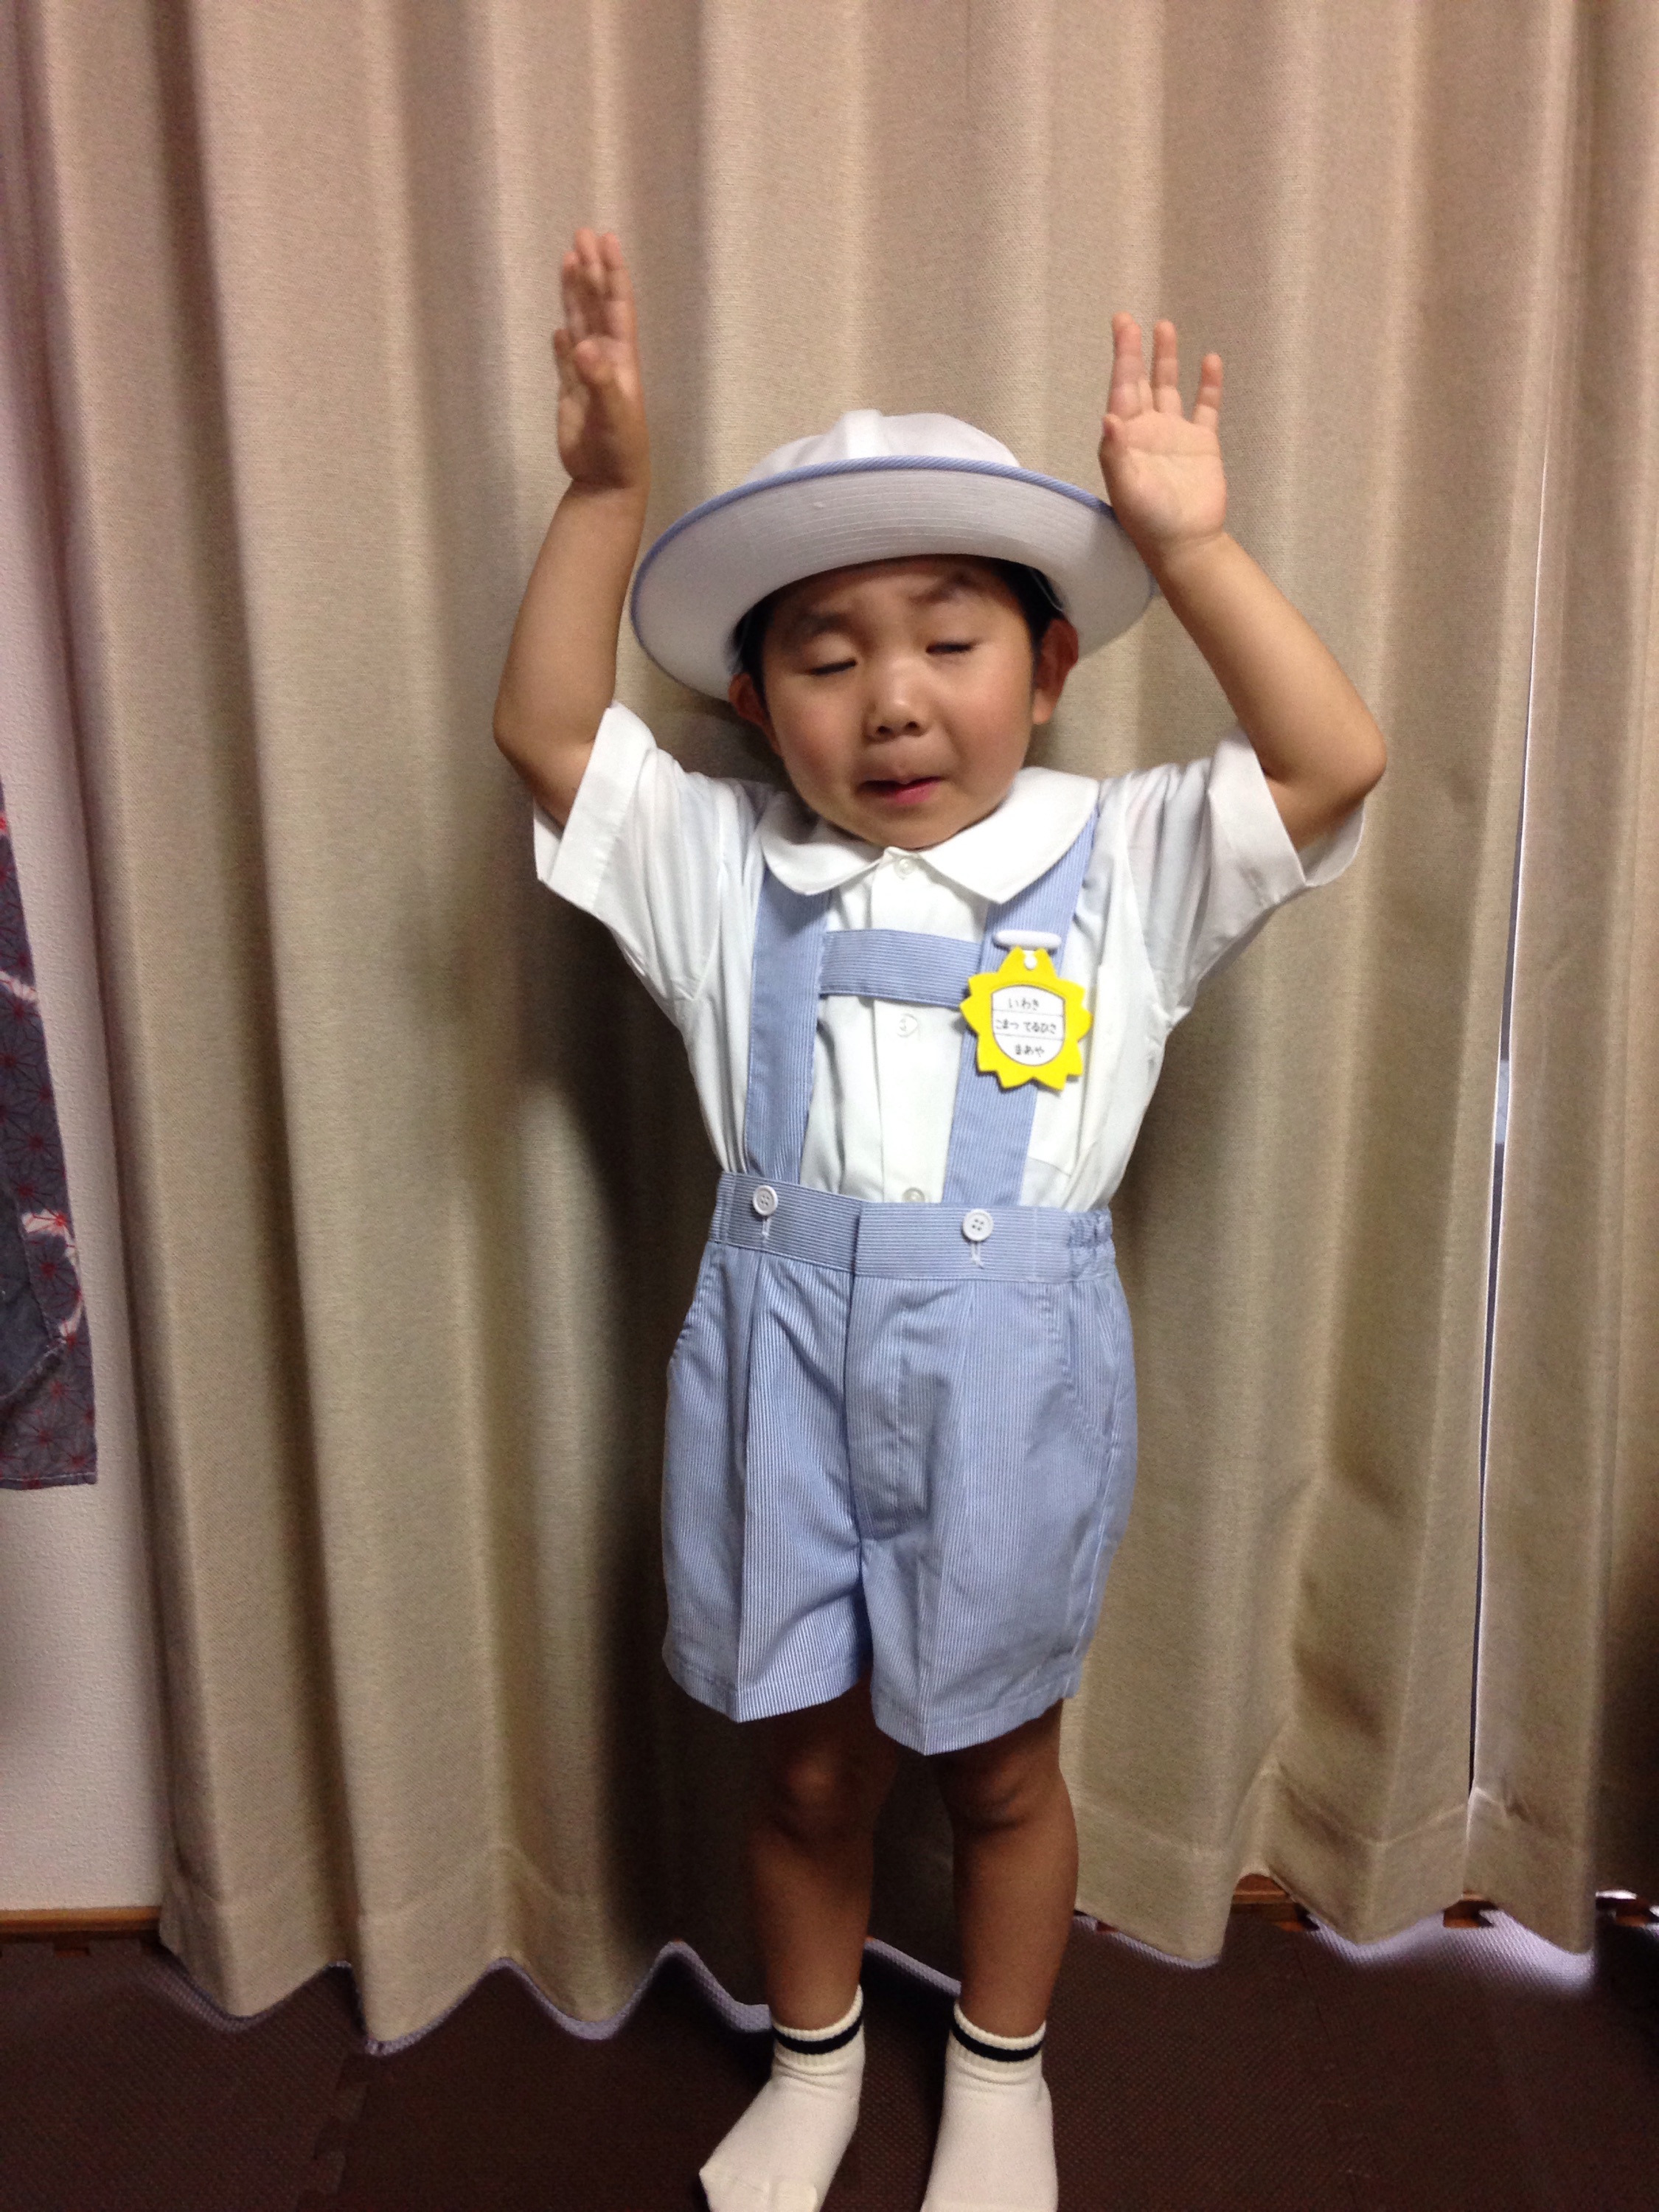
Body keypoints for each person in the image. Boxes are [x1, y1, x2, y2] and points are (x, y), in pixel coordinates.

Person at [494, 228, 1385, 2212]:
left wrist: (1191, 546)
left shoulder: (1130, 859)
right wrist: (604, 494)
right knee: (805, 1764)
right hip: (775, 1370)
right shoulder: (723, 868)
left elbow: (1333, 760)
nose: (891, 702)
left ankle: (999, 2077)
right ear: (756, 702)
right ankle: (812, 2068)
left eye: (951, 644)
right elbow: (552, 737)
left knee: (997, 1766)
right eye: (826, 660)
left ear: (1049, 670)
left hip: (1007, 1374)